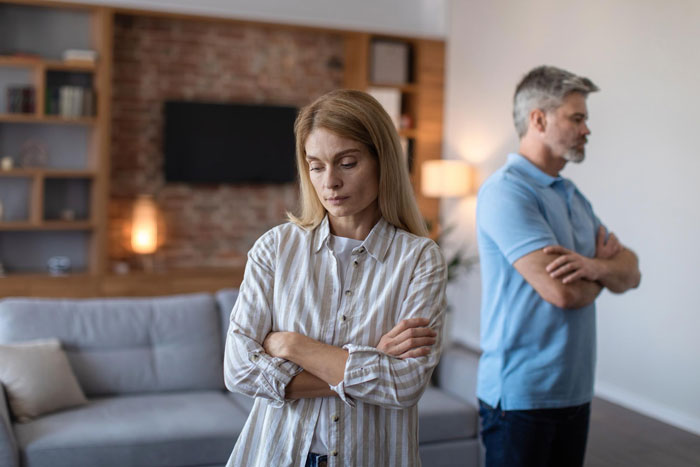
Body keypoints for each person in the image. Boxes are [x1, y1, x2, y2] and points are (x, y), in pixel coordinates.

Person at [223, 89, 447, 467]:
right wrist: (373, 360)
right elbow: (238, 371)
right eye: (316, 165)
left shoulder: (420, 259)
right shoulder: (275, 250)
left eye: (347, 163)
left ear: (382, 162)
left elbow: (405, 384)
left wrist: (292, 345)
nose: (330, 182)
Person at [476, 65, 641, 467]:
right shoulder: (506, 192)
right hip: (520, 397)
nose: (587, 130)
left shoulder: (571, 193)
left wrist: (591, 266)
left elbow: (632, 270)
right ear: (539, 119)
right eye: (577, 117)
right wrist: (604, 268)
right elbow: (563, 293)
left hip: (574, 391)